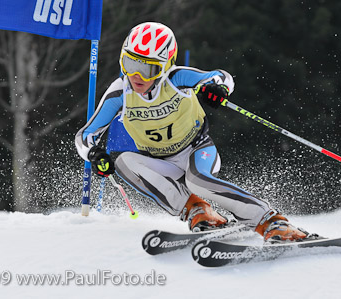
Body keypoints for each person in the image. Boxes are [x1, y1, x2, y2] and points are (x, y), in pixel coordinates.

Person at [75, 22, 309, 243]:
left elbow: (221, 76)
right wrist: (94, 154)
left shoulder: (177, 78)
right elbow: (85, 136)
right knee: (125, 161)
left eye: (147, 69)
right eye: (129, 64)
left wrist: (216, 88)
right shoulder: (120, 93)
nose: (136, 76)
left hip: (196, 149)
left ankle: (271, 220)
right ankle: (198, 210)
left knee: (196, 180)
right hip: (161, 162)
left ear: (165, 66)